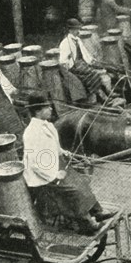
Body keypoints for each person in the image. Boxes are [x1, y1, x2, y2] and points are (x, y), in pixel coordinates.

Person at [22, 94, 114, 234]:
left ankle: (96, 211)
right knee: (73, 190)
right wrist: (53, 175)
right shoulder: (30, 133)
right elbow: (34, 163)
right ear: (38, 111)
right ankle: (86, 224)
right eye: (47, 107)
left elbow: (54, 146)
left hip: (55, 163)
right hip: (42, 174)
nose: (51, 109)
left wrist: (64, 152)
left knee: (80, 181)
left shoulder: (48, 125)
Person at [59, 18, 114, 103]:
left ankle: (105, 93)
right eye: (76, 29)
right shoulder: (65, 43)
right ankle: (102, 96)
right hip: (73, 66)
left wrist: (92, 61)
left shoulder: (78, 39)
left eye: (78, 29)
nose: (78, 31)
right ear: (70, 30)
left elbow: (85, 53)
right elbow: (63, 60)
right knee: (92, 73)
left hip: (81, 63)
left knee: (101, 69)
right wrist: (68, 62)